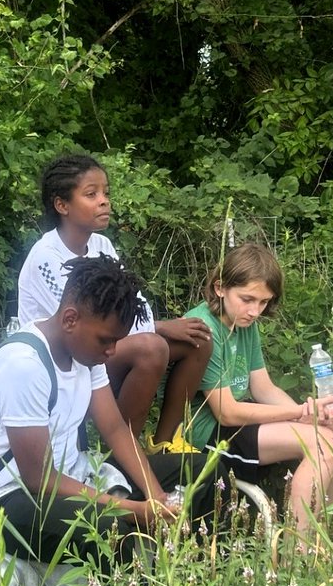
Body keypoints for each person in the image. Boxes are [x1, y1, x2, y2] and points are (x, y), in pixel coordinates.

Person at [0, 255, 207, 586]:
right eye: (106, 340)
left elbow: (115, 428)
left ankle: (192, 581)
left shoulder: (85, 354)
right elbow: (39, 478)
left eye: (116, 341)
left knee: (199, 469)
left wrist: (156, 496)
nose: (112, 351)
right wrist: (134, 510)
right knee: (107, 528)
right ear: (69, 319)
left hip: (74, 478)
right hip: (6, 499)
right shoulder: (24, 365)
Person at [17, 154, 211, 449]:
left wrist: (157, 325)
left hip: (102, 346)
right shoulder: (45, 257)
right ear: (62, 205)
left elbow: (131, 304)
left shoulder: (101, 245)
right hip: (65, 360)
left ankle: (165, 442)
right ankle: (119, 455)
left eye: (106, 193)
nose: (104, 201)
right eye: (91, 194)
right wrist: (158, 328)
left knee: (199, 339)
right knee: (151, 348)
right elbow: (83, 327)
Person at [183, 243, 333, 546]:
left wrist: (313, 415)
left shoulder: (245, 323)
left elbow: (263, 388)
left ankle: (324, 533)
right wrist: (301, 414)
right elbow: (227, 412)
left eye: (263, 302)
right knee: (322, 442)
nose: (254, 311)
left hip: (241, 421)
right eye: (247, 299)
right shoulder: (203, 327)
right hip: (210, 433)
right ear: (220, 288)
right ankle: (298, 552)